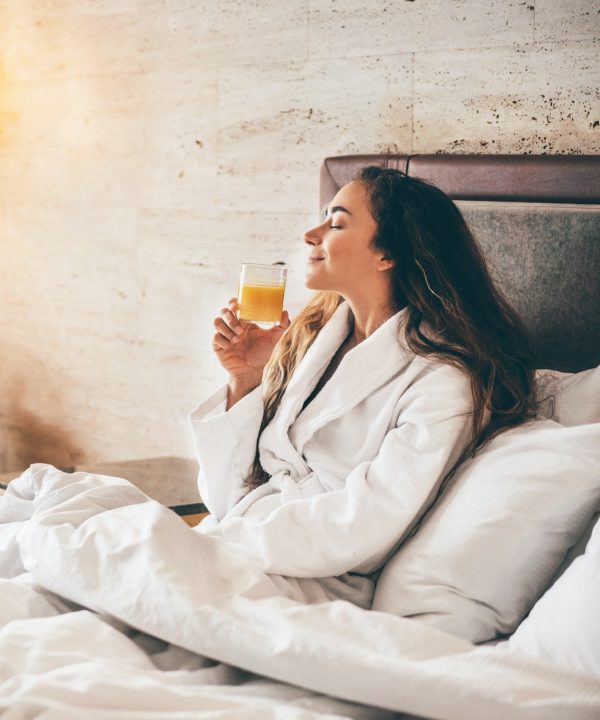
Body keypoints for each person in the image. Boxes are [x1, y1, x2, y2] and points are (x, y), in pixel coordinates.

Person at [189, 166, 534, 591]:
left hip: (309, 577)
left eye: (335, 223)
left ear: (386, 254)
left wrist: (225, 544)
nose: (311, 235)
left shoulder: (442, 381)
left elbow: (367, 528)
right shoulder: (314, 340)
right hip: (239, 543)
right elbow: (226, 498)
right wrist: (247, 380)